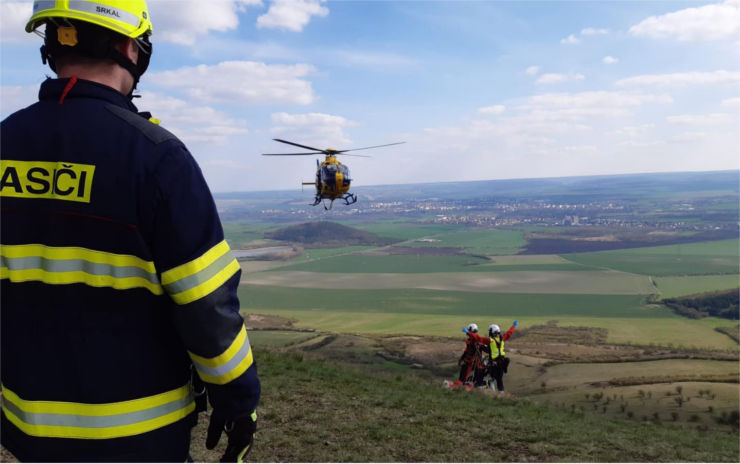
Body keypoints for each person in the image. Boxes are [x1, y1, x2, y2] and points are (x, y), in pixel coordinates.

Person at [0, 1, 260, 461]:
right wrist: (238, 398)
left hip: (25, 425)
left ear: (51, 43)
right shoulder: (157, 157)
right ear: (131, 47)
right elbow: (206, 305)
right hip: (138, 432)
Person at [464, 321, 518, 394]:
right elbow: (509, 333)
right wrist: (513, 326)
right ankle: (501, 394)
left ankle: (480, 391)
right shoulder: (502, 339)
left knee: (480, 374)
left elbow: (479, 338)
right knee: (499, 380)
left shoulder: (490, 340)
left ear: (491, 332)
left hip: (494, 364)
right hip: (501, 364)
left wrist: (469, 333)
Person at [452, 323, 485, 388]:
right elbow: (466, 351)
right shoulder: (470, 340)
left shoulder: (476, 340)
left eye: (468, 331)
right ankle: (462, 383)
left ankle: (461, 385)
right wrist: (462, 358)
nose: (467, 333)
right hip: (469, 361)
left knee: (465, 376)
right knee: (463, 373)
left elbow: (478, 351)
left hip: (473, 362)